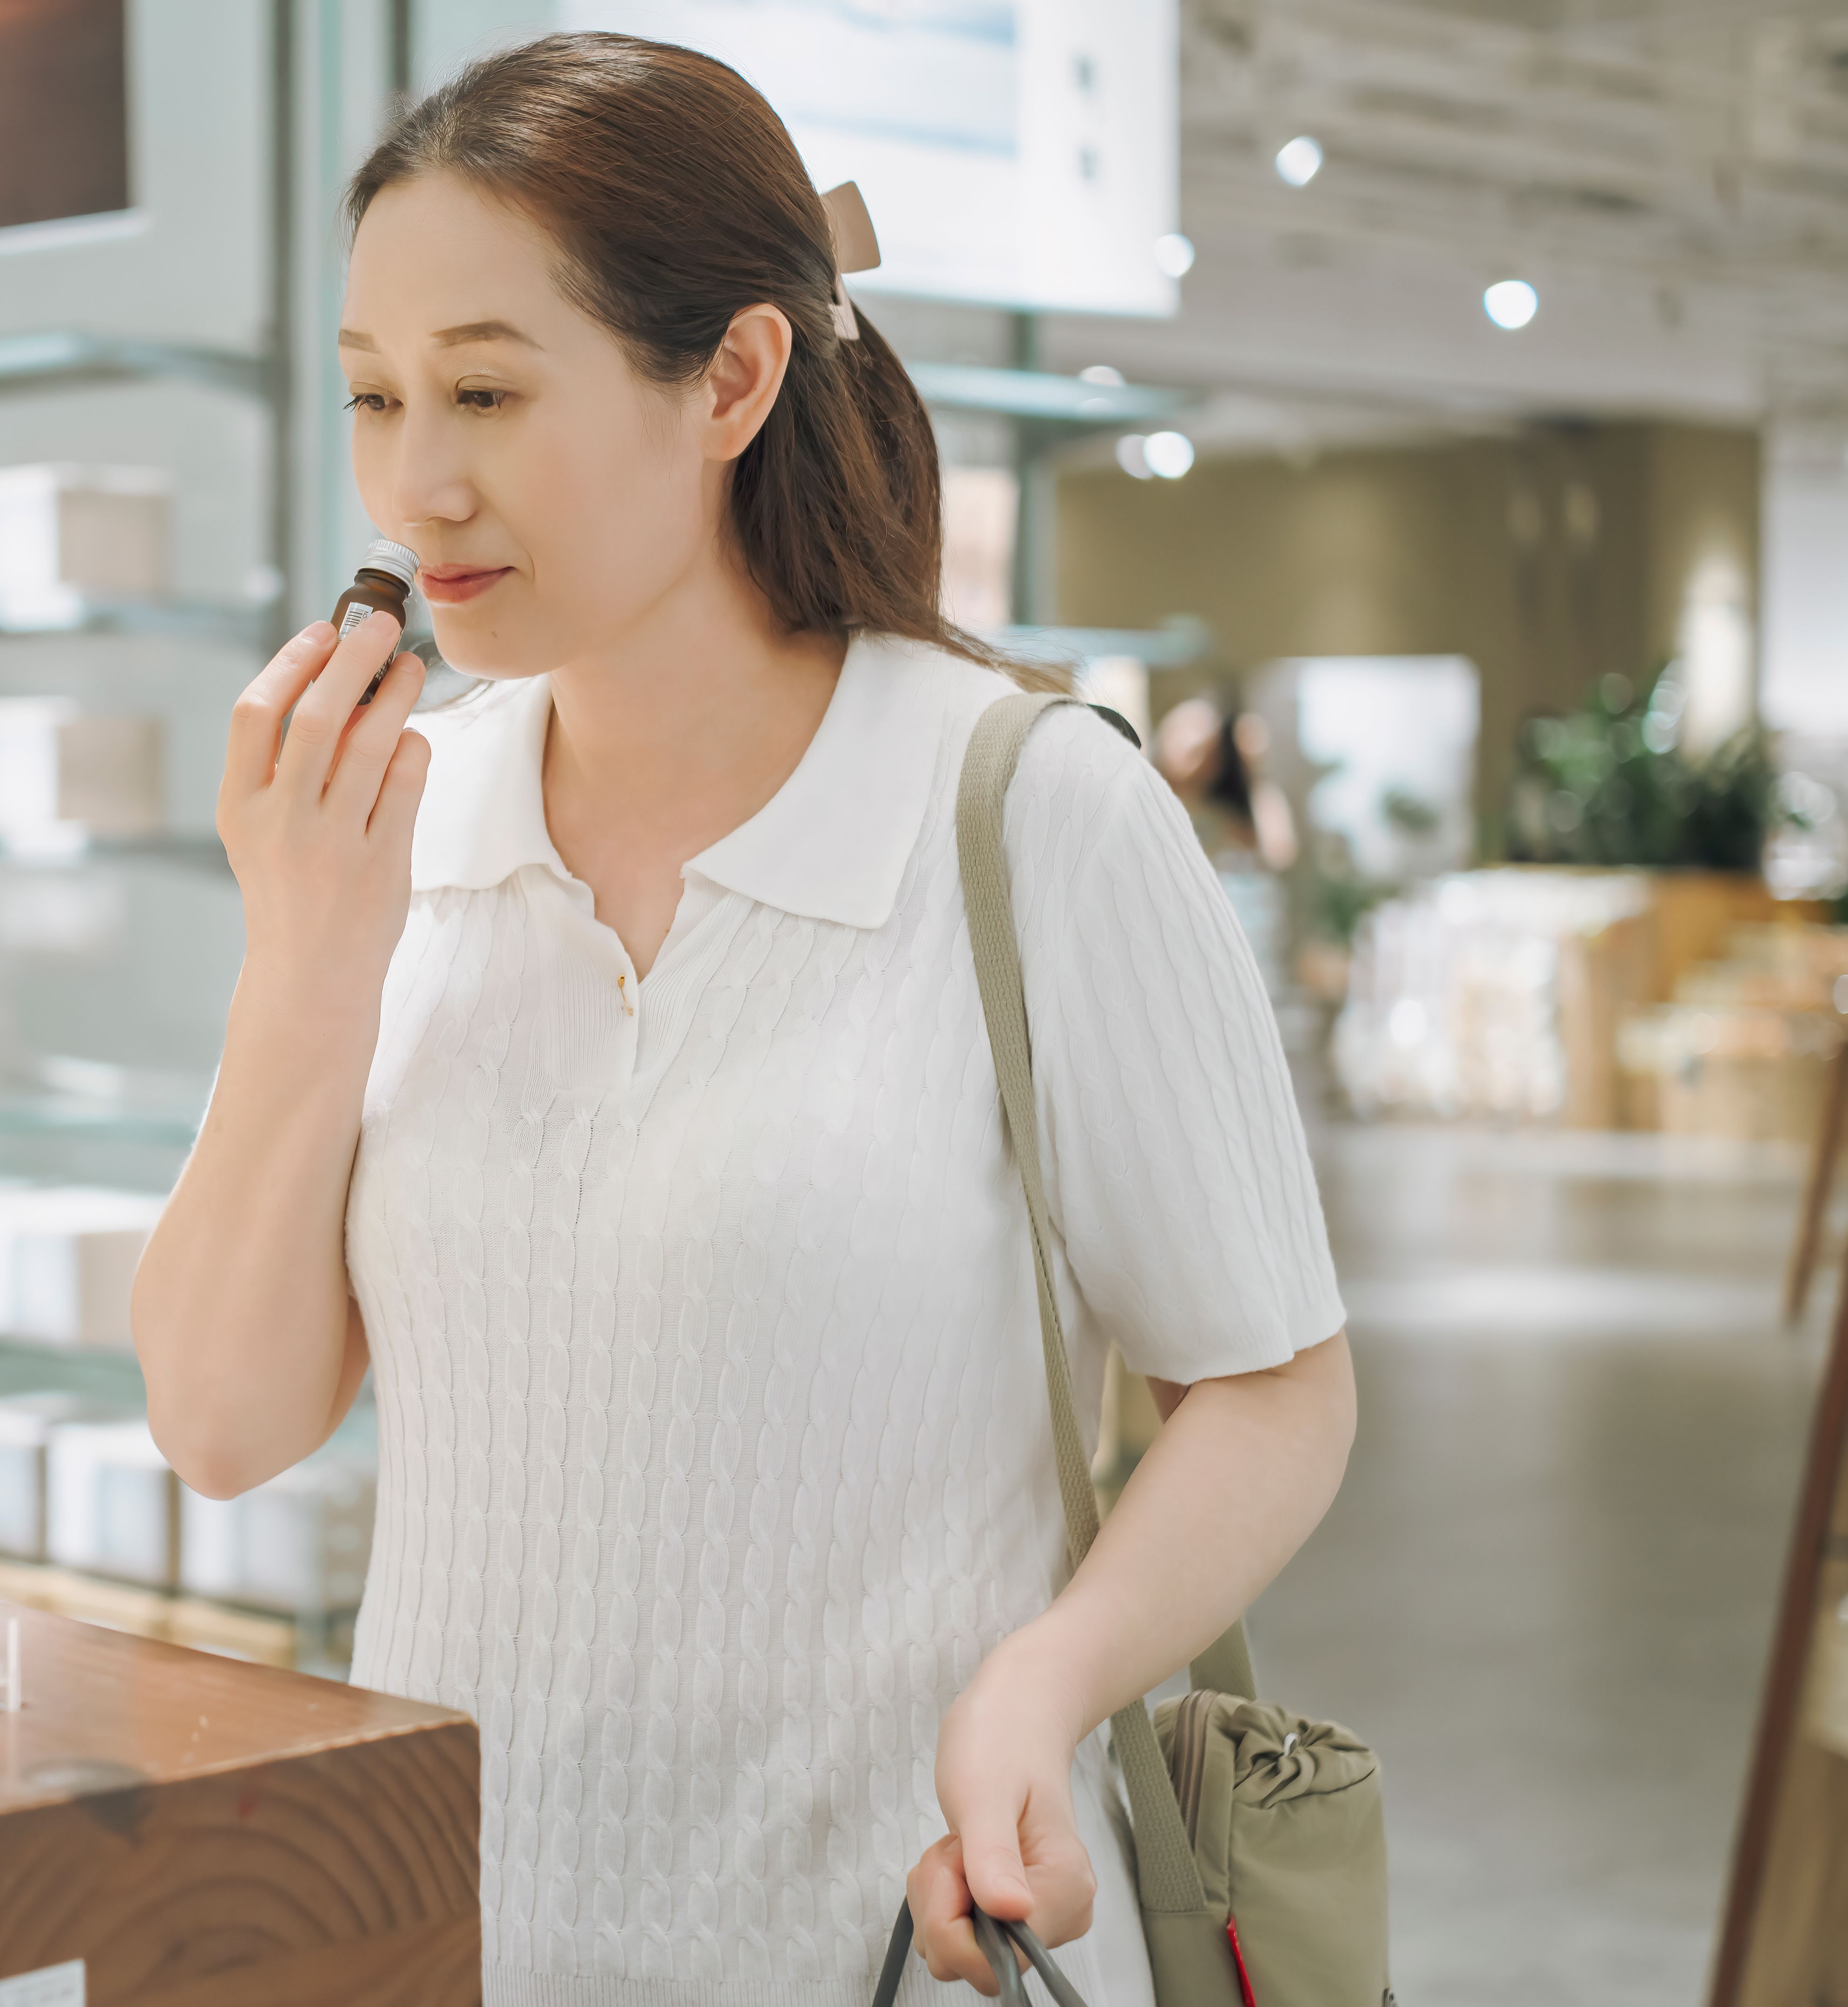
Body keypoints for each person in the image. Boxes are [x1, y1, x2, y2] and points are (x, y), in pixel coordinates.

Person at [131, 35, 1355, 2006]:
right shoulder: (405, 824)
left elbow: (1277, 1386)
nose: (415, 480)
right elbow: (223, 1421)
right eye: (373, 397)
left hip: (903, 1943)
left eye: (488, 391)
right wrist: (303, 957)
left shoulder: (1031, 811)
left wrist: (1042, 1685)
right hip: (457, 1942)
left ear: (734, 378)